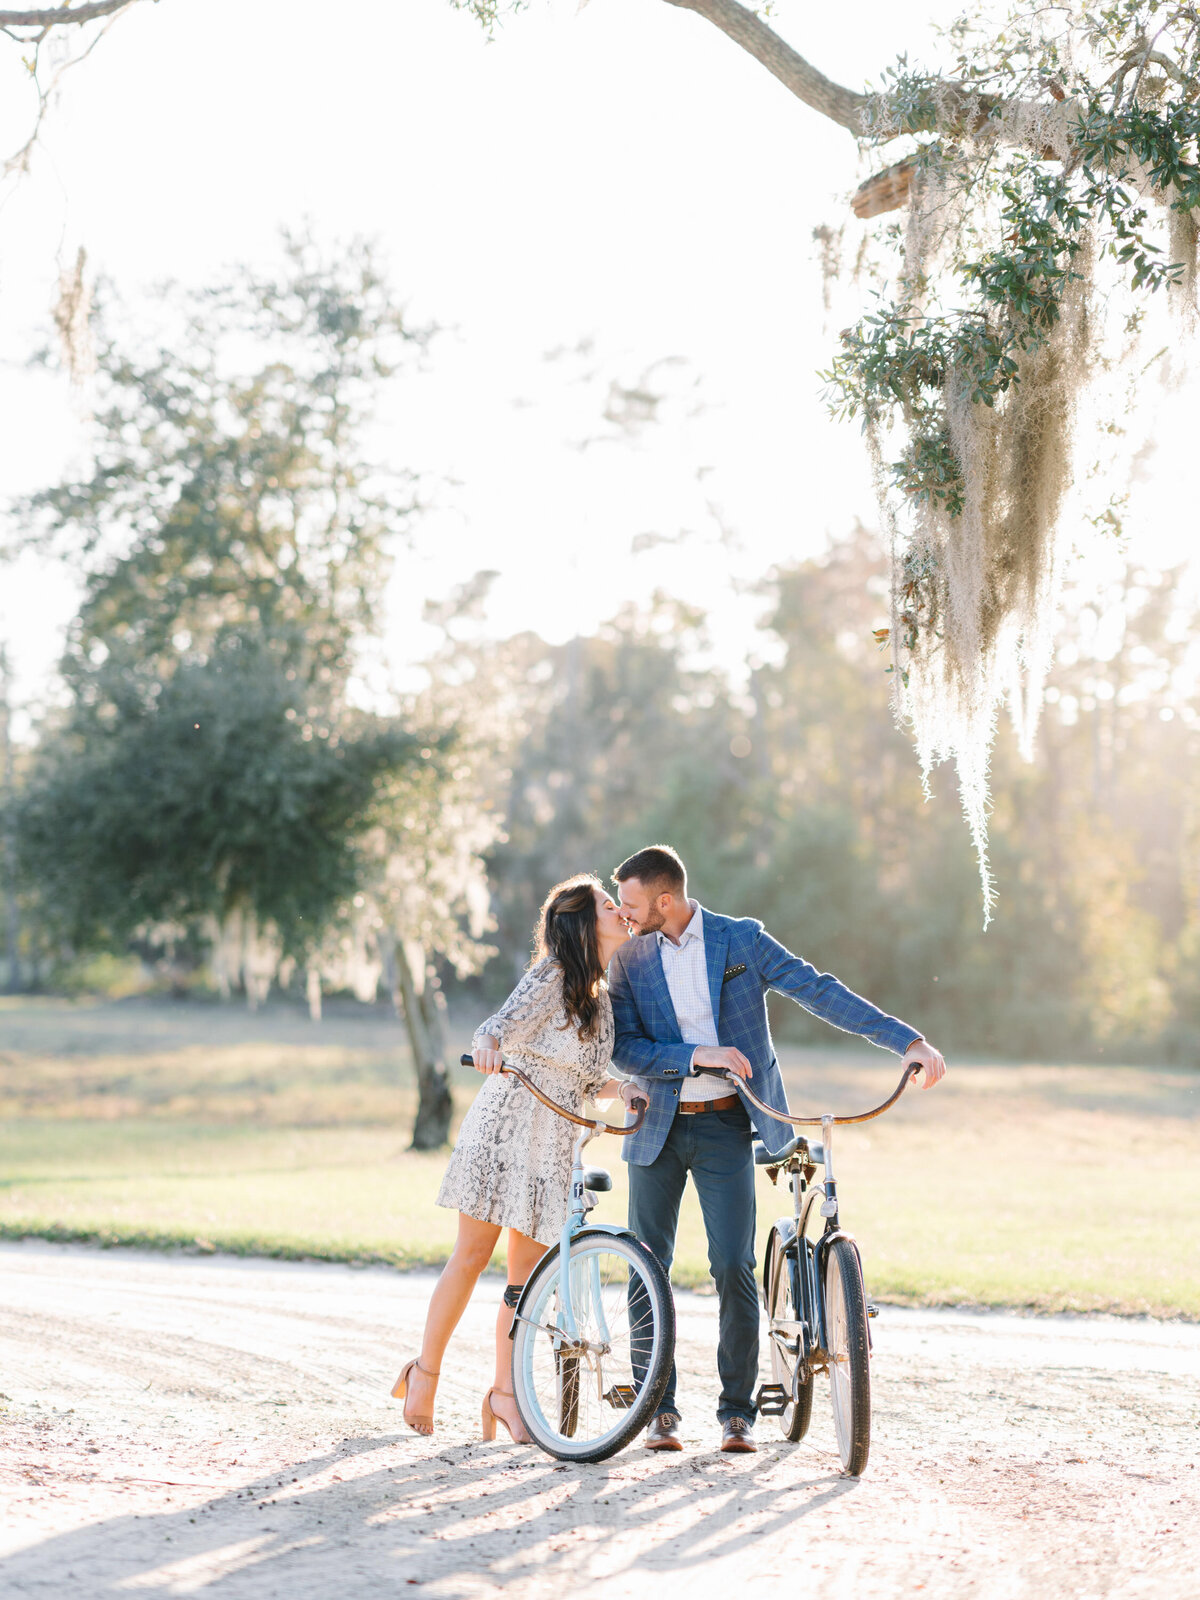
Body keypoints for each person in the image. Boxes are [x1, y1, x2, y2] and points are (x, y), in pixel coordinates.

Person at [608, 843, 946, 1455]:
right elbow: (625, 1049)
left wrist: (909, 1041)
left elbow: (820, 991)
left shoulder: (741, 941)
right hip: (656, 1127)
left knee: (733, 1267)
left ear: (665, 900)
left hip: (726, 1126)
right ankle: (658, 1410)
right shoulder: (629, 959)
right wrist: (695, 1056)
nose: (622, 914)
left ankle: (736, 1413)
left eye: (631, 904)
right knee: (644, 1268)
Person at [392, 874, 629, 1442]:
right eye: (607, 903)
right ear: (581, 921)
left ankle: (504, 1394)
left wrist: (626, 1089)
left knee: (524, 1281)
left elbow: (586, 1078)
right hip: (504, 1133)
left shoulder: (601, 994)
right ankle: (424, 1375)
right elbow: (495, 1025)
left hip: (551, 1146)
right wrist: (487, 1047)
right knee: (471, 1257)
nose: (620, 910)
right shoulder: (552, 975)